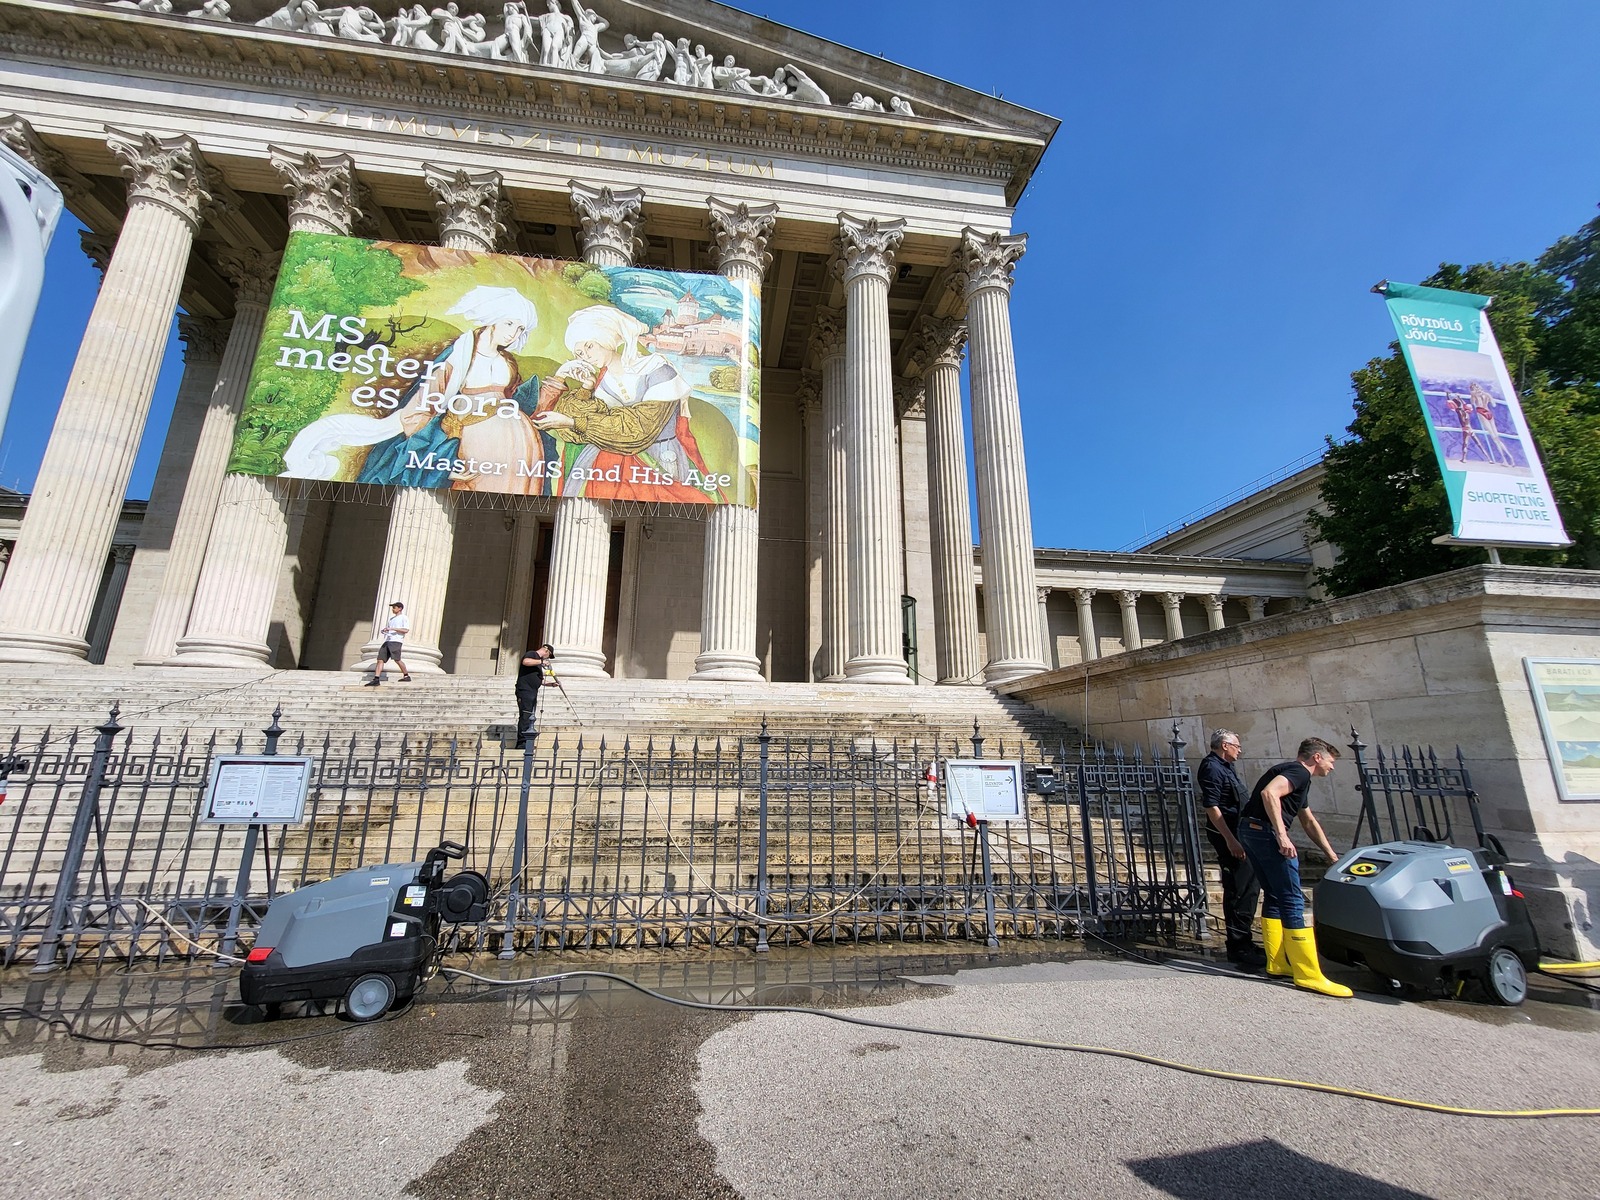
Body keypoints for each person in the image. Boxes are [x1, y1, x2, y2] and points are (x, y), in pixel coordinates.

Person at [531, 305, 727, 502]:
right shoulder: (601, 381)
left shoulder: (658, 371)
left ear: (604, 338)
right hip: (609, 467)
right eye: (580, 353)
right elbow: (574, 427)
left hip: (657, 460)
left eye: (589, 346)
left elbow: (637, 428)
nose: (586, 356)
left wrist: (573, 422)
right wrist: (585, 388)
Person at [1235, 736, 1350, 997]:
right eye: (1330, 762)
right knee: (1292, 899)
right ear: (1317, 757)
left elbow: (1308, 820)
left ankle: (1277, 963)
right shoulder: (1299, 771)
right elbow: (1269, 793)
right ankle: (1308, 973)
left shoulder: (1295, 777)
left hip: (1250, 830)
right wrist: (1281, 834)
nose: (1332, 768)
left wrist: (1331, 854)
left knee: (1275, 896)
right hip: (1265, 833)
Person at [1196, 729, 1263, 968]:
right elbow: (1212, 807)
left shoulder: (1225, 766)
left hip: (1240, 832)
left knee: (1248, 887)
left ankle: (1244, 940)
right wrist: (1230, 840)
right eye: (1237, 745)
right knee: (1239, 888)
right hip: (1230, 835)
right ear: (1224, 745)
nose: (1240, 749)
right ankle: (1238, 945)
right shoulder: (1212, 768)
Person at [513, 643, 556, 748]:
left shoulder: (537, 663)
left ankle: (527, 741)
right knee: (526, 715)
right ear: (546, 650)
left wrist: (551, 684)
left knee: (530, 716)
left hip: (532, 691)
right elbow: (525, 661)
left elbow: (538, 680)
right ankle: (522, 743)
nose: (547, 658)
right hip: (525, 691)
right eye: (549, 655)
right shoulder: (532, 654)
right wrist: (541, 661)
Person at [366, 601, 412, 685]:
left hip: (396, 641)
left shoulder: (403, 618)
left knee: (397, 659)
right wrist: (385, 630)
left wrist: (392, 629)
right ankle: (376, 679)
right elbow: (390, 629)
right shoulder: (391, 619)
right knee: (380, 659)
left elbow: (406, 630)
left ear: (400, 608)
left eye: (394, 607)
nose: (393, 609)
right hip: (387, 641)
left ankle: (406, 675)